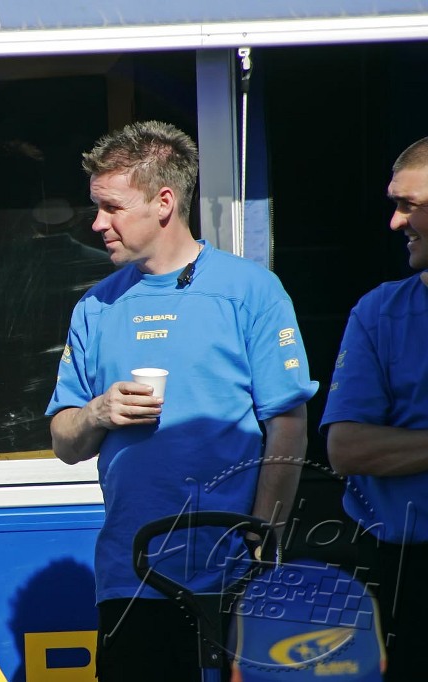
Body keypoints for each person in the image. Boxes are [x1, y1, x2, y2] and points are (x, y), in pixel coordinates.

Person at [46, 120, 317, 682]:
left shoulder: (250, 290)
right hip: (129, 578)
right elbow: (64, 443)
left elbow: (288, 422)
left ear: (164, 202)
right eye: (97, 207)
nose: (97, 223)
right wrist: (97, 412)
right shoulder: (96, 307)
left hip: (232, 577)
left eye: (112, 207)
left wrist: (262, 537)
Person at [320, 135, 428, 681]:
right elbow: (346, 448)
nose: (395, 221)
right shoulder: (381, 311)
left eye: (409, 204)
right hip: (407, 571)